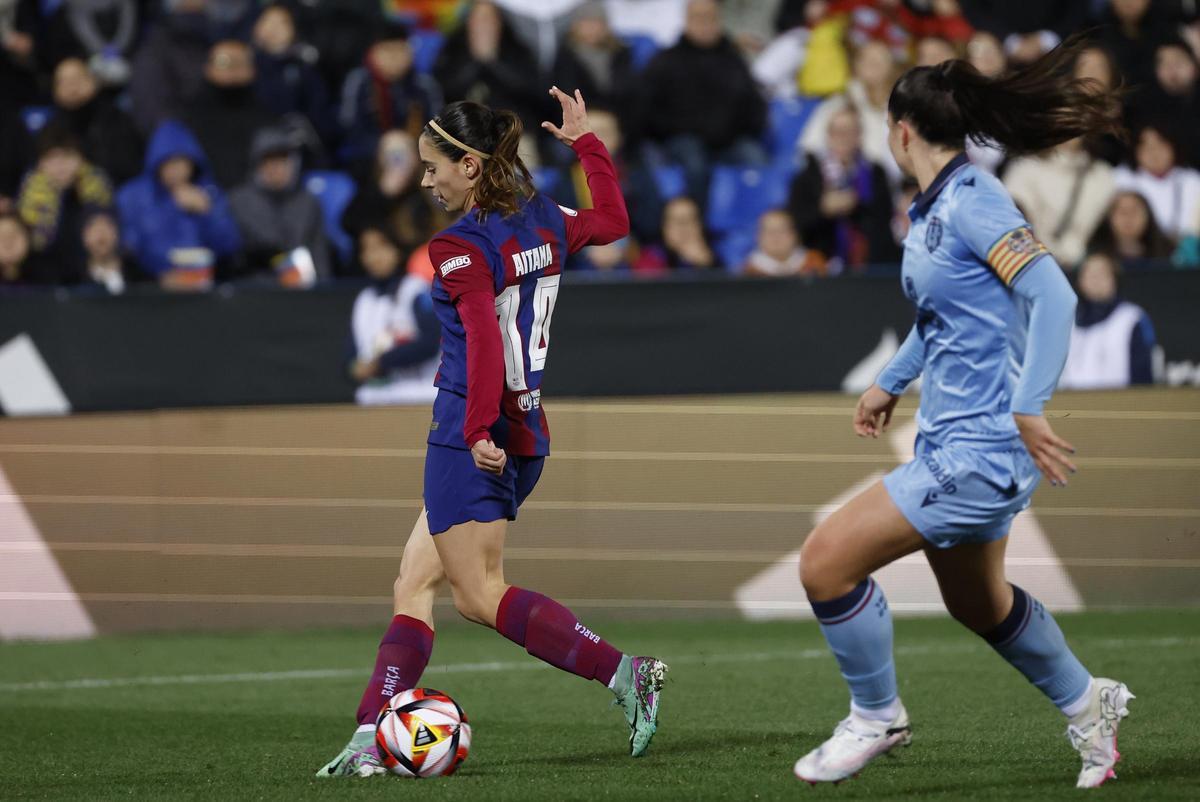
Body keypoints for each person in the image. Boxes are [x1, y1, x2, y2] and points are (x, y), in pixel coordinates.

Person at [792, 38, 1134, 789]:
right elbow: (946, 315)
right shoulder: (939, 207)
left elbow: (1053, 294)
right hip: (953, 441)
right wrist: (891, 380)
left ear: (900, 129)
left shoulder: (976, 201)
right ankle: (1089, 706)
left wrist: (1030, 406)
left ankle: (876, 715)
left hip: (979, 451)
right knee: (980, 603)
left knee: (824, 562)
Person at [315, 88, 667, 778]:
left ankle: (628, 674)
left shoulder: (459, 245)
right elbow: (614, 220)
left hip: (470, 436)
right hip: (528, 430)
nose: (425, 179)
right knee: (414, 581)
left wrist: (475, 430)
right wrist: (587, 147)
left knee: (478, 593)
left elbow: (480, 339)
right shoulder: (543, 217)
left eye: (432, 166)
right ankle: (367, 736)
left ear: (470, 166)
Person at [632, 0, 768, 206]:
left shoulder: (734, 60)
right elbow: (646, 109)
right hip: (682, 139)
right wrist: (672, 130)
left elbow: (754, 103)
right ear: (686, 21)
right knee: (695, 166)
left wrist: (746, 129)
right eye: (698, 18)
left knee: (757, 161)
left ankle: (762, 225)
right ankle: (699, 227)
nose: (705, 24)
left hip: (730, 141)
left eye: (710, 18)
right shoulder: (665, 61)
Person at [116, 120, 241, 285]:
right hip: (150, 287)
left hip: (203, 286)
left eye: (180, 161)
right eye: (167, 162)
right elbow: (129, 246)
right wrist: (161, 272)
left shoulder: (209, 192)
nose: (175, 169)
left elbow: (230, 246)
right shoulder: (132, 195)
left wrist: (207, 212)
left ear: (192, 162)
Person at [788, 106, 898, 272]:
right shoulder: (809, 176)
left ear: (859, 136)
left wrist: (855, 205)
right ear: (829, 136)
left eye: (850, 132)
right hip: (821, 267)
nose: (844, 138)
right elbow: (798, 223)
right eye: (838, 132)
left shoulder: (875, 173)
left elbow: (884, 220)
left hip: (867, 265)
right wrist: (823, 210)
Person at [348, 225, 441, 405]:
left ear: (396, 250)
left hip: (421, 391)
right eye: (367, 250)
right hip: (377, 395)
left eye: (381, 247)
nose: (375, 256)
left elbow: (431, 342)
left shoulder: (416, 289)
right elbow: (350, 356)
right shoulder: (364, 300)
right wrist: (355, 368)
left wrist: (382, 362)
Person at [228, 126, 332, 282]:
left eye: (282, 160)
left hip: (302, 289)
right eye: (269, 161)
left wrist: (322, 292)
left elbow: (319, 254)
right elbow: (233, 258)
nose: (275, 168)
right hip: (255, 289)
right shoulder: (238, 202)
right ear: (257, 165)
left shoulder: (308, 202)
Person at [16, 120, 113, 286]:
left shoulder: (99, 190)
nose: (60, 166)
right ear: (40, 163)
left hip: (92, 284)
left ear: (81, 159)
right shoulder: (29, 197)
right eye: (51, 158)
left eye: (68, 156)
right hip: (43, 286)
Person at [1003, 136, 1115, 266]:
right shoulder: (1023, 168)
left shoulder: (1103, 176)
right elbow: (1012, 223)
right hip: (1028, 264)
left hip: (1081, 268)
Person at [181, 39, 279, 188]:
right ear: (208, 68)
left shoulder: (266, 116)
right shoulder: (190, 117)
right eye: (224, 63)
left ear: (253, 69)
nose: (233, 70)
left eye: (240, 63)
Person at [1059, 252, 1156, 389]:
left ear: (1114, 279)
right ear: (1080, 280)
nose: (1095, 279)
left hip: (1119, 406)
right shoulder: (1066, 321)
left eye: (1102, 274)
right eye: (1089, 274)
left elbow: (1143, 376)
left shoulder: (1131, 318)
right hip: (1072, 407)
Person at [50, 57, 144, 186]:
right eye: (64, 82)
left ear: (93, 82)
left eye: (77, 79)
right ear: (55, 92)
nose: (72, 87)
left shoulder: (117, 119)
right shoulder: (50, 132)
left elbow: (129, 167)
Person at [1113, 123, 1200, 241]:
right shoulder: (1122, 179)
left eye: (1161, 145)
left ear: (1173, 146)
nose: (1154, 153)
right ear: (1136, 150)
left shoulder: (1192, 181)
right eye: (1146, 147)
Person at [1086, 190, 1175, 268]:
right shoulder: (1094, 256)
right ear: (1109, 218)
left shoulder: (1168, 253)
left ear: (1148, 216)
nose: (1128, 218)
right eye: (1122, 212)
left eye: (1134, 211)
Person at [633, 195, 716, 272]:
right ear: (664, 227)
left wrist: (705, 265)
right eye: (678, 222)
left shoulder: (714, 256)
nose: (684, 229)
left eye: (690, 220)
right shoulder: (652, 258)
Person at [741, 208, 826, 277]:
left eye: (782, 231)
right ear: (758, 237)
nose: (776, 237)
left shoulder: (814, 263)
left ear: (794, 234)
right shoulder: (749, 272)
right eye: (769, 232)